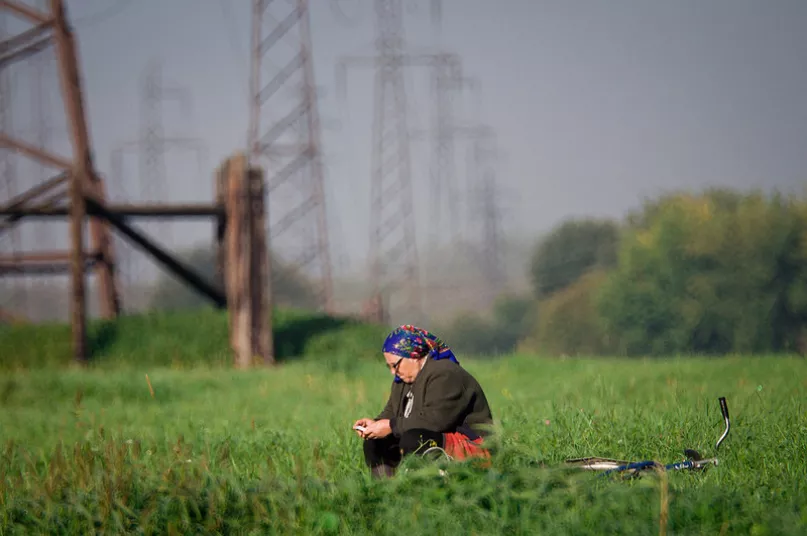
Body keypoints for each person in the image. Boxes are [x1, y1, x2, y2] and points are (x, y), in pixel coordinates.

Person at [353, 324, 494, 478]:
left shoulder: (444, 373)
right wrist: (374, 425)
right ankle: (386, 492)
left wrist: (390, 426)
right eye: (389, 367)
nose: (394, 372)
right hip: (434, 435)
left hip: (473, 445)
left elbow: (436, 421)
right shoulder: (402, 380)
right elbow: (392, 412)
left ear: (414, 356)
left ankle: (438, 483)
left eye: (395, 365)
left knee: (415, 439)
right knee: (376, 442)